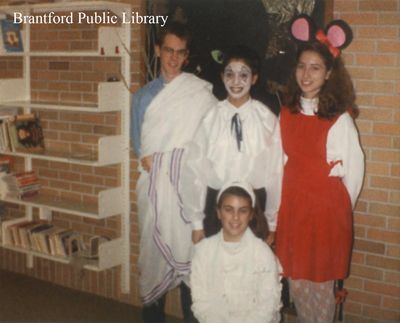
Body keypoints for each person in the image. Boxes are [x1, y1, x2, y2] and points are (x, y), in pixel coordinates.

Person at [275, 15, 365, 323]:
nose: (306, 74)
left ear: (328, 74)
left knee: (322, 289)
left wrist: (337, 210)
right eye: (301, 66)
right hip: (294, 211)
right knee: (297, 284)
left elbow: (354, 173)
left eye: (315, 67)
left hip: (326, 216)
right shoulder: (286, 113)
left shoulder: (339, 118)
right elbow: (279, 163)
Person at [131, 21, 216, 323]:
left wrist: (169, 161)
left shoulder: (200, 95)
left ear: (186, 56)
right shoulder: (142, 98)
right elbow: (143, 154)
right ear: (158, 50)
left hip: (188, 196)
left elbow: (207, 147)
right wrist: (164, 161)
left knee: (191, 267)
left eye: (180, 53)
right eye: (168, 50)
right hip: (154, 194)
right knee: (152, 261)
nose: (173, 58)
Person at [182, 45, 283, 245]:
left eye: (243, 75)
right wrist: (196, 222)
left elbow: (275, 171)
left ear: (254, 78)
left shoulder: (266, 119)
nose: (236, 82)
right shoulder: (211, 118)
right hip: (216, 206)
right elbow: (195, 169)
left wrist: (271, 222)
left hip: (255, 206)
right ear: (222, 77)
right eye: (230, 74)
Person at [190, 181, 282, 323]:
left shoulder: (262, 253)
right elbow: (201, 301)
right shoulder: (204, 252)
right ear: (219, 213)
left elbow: (267, 305)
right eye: (228, 209)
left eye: (243, 210)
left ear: (251, 215)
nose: (235, 217)